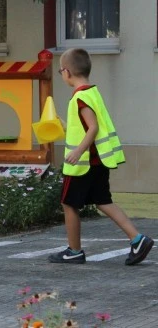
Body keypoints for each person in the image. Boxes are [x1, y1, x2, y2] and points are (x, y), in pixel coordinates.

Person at [48, 48, 154, 265]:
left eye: (60, 71)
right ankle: (138, 239)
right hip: (97, 161)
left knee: (68, 204)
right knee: (103, 201)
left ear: (67, 72)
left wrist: (77, 152)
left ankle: (74, 251)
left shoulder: (79, 98)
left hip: (83, 164)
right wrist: (65, 126)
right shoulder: (92, 92)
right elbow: (86, 126)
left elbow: (93, 128)